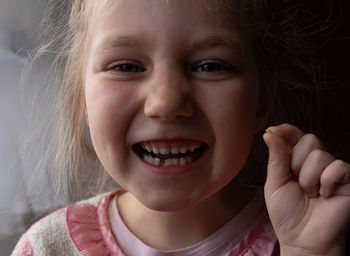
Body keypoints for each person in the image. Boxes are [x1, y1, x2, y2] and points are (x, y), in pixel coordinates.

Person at [11, 0, 350, 255]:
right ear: (84, 100)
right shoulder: (46, 249)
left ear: (262, 99)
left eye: (210, 66)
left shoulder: (313, 236)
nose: (166, 102)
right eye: (126, 66)